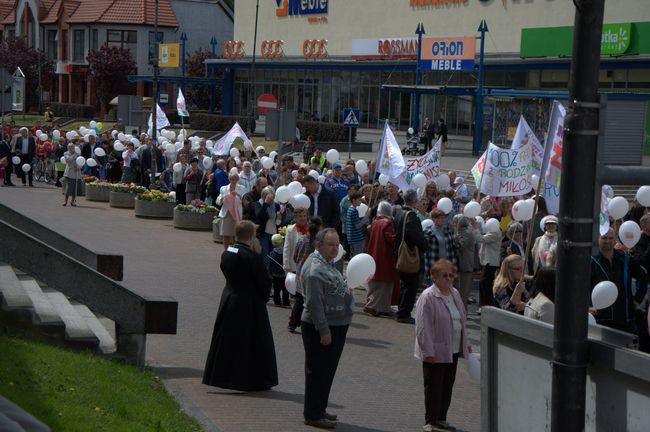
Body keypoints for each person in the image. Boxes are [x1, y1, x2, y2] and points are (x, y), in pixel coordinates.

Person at [202, 220, 278, 392]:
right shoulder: (251, 257)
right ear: (251, 236)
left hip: (229, 298)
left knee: (226, 341)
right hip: (249, 303)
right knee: (252, 343)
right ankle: (252, 380)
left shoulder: (228, 252)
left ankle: (220, 376)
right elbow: (264, 281)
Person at [300, 228, 353, 429]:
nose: (335, 248)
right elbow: (314, 303)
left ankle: (320, 408)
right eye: (330, 244)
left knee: (327, 371)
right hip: (321, 326)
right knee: (318, 372)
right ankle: (313, 414)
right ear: (318, 245)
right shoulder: (315, 269)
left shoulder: (328, 264)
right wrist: (323, 330)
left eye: (337, 244)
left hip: (337, 324)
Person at [415, 259, 471, 432]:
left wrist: (466, 342)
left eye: (451, 275)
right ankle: (430, 420)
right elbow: (423, 327)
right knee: (434, 386)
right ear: (434, 277)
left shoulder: (454, 293)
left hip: (452, 348)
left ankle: (442, 418)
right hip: (436, 350)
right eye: (444, 276)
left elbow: (462, 319)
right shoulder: (428, 297)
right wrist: (428, 351)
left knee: (447, 385)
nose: (449, 279)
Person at [590, 228, 648, 338]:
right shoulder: (591, 260)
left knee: (626, 352)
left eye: (610, 238)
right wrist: (588, 306)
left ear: (615, 239)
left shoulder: (626, 259)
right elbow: (581, 287)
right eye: (604, 238)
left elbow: (643, 276)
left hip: (625, 318)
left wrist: (637, 301)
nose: (607, 241)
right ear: (598, 239)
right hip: (601, 319)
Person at [395, 189, 429, 324]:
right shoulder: (411, 216)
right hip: (409, 255)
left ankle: (402, 310)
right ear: (414, 201)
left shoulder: (399, 212)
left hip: (400, 252)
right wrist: (425, 244)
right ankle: (404, 313)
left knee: (404, 284)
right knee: (411, 285)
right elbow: (416, 237)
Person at [288, 216, 323, 333]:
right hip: (313, 275)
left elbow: (294, 256)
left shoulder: (302, 239)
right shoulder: (318, 244)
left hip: (300, 274)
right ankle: (308, 323)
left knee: (298, 300)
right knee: (311, 301)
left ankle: (292, 323)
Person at [365, 201, 397, 317]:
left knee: (375, 282)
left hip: (374, 253)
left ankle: (376, 306)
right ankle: (377, 307)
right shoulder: (388, 222)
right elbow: (391, 239)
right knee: (385, 283)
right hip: (385, 255)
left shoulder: (375, 221)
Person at [423, 209, 459, 285]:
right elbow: (425, 252)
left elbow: (454, 248)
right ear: (433, 219)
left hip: (447, 266)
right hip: (434, 265)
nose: (442, 219)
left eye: (443, 217)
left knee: (446, 290)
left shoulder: (448, 230)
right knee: (433, 291)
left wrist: (456, 240)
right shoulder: (427, 231)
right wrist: (427, 270)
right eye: (439, 218)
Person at [217, 172, 246, 248]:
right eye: (231, 179)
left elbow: (244, 200)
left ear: (237, 180)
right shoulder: (223, 188)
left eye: (235, 179)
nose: (233, 181)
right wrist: (222, 199)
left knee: (235, 234)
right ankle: (226, 251)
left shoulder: (242, 188)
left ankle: (235, 251)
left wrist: (237, 195)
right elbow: (218, 200)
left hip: (236, 213)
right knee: (226, 234)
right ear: (229, 179)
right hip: (226, 213)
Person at [255, 186, 281, 270]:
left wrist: (279, 219)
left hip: (274, 234)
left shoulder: (276, 205)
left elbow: (278, 223)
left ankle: (272, 275)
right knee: (265, 258)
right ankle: (264, 277)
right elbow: (259, 217)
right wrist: (265, 204)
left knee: (273, 256)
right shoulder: (259, 204)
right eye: (268, 197)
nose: (271, 199)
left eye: (272, 197)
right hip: (263, 234)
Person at [454, 215, 477, 309]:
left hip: (465, 265)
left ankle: (463, 313)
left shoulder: (467, 233)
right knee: (457, 290)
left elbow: (460, 245)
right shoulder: (462, 232)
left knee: (463, 292)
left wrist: (453, 239)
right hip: (459, 265)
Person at [269, 234, 289, 307]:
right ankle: (286, 303)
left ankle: (277, 302)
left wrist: (270, 273)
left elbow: (270, 265)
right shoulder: (285, 253)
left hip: (275, 275)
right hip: (284, 275)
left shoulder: (271, 254)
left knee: (276, 290)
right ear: (282, 242)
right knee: (285, 290)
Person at [345, 191, 367, 257]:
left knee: (353, 255)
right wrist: (366, 217)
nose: (360, 201)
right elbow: (358, 225)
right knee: (357, 256)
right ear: (354, 200)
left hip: (352, 237)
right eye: (359, 200)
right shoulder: (354, 211)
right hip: (356, 238)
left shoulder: (349, 209)